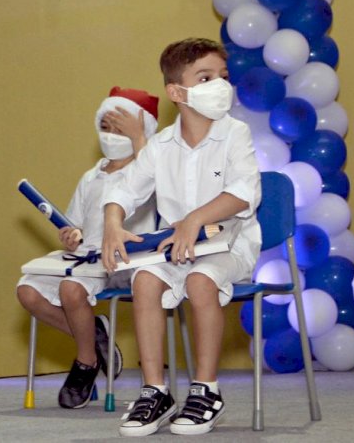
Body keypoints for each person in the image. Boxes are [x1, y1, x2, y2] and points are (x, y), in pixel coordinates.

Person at [101, 38, 261, 436]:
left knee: (200, 280)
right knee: (144, 279)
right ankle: (155, 390)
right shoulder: (159, 146)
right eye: (206, 77)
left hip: (231, 244)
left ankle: (206, 389)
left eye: (224, 76)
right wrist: (112, 220)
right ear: (177, 92)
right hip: (176, 250)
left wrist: (194, 219)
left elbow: (244, 192)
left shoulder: (236, 134)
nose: (220, 85)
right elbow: (123, 190)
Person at [17, 87, 159, 409]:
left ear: (142, 132)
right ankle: (95, 335)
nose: (111, 136)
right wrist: (70, 235)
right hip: (88, 257)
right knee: (28, 292)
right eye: (106, 128)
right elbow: (75, 223)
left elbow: (160, 184)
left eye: (121, 130)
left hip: (128, 261)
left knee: (70, 289)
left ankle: (86, 360)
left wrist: (140, 143)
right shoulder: (92, 175)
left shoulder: (147, 170)